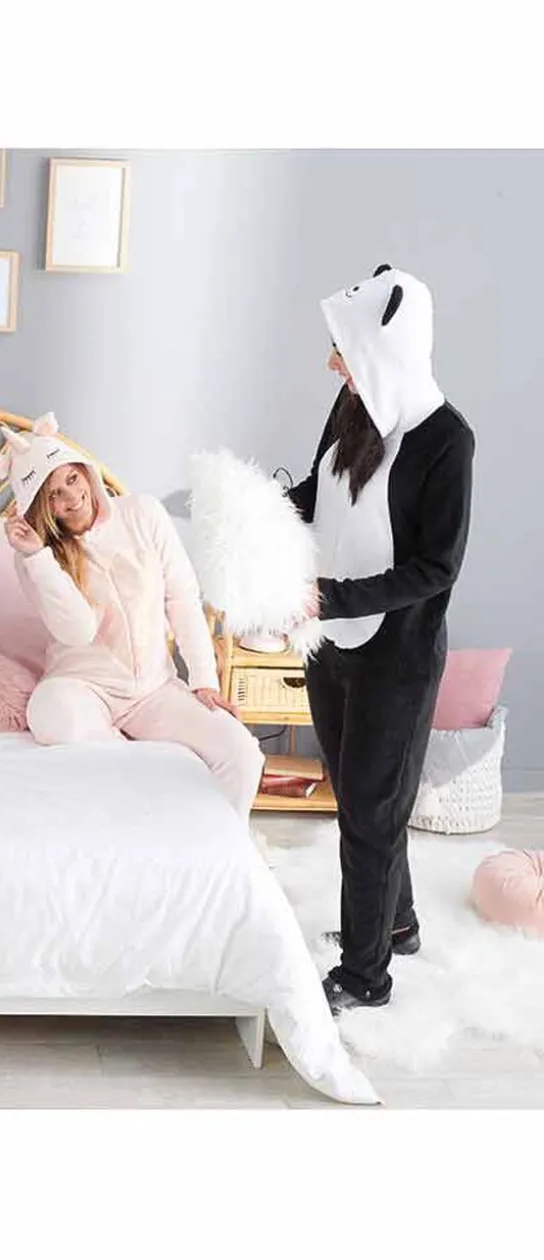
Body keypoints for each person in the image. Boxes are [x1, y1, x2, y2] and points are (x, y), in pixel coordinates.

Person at [288, 263, 475, 1013]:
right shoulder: (353, 406)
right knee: (363, 799)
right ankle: (396, 924)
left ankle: (365, 975)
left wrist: (334, 595)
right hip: (333, 639)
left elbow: (438, 565)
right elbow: (317, 491)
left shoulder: (446, 440)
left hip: (396, 657)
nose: (333, 364)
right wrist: (257, 514)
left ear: (382, 350)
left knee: (370, 812)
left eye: (343, 349)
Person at [0, 413, 265, 822]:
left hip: (154, 689)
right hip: (84, 686)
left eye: (72, 479)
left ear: (86, 472)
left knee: (241, 752)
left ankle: (222, 845)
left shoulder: (143, 514)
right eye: (52, 495)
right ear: (39, 508)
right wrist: (37, 557)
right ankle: (140, 789)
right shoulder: (33, 560)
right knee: (50, 711)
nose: (71, 497)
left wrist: (203, 679)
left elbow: (182, 597)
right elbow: (78, 631)